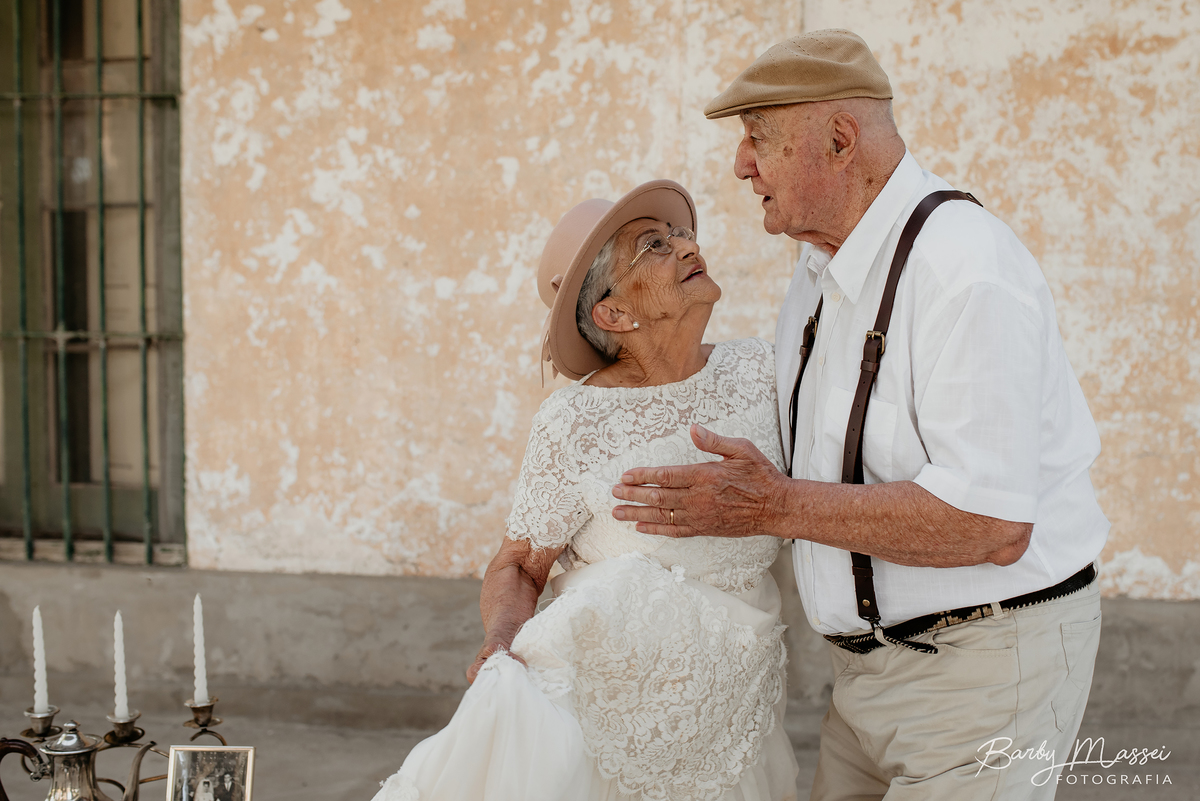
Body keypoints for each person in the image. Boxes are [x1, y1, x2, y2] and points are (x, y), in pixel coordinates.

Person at [610, 31, 1109, 800]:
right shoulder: (817, 271)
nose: (741, 164)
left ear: (840, 140)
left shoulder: (965, 270)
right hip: (864, 681)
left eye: (757, 140)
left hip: (982, 668)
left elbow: (991, 522)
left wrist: (773, 504)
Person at [372, 180, 799, 801]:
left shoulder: (762, 369)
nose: (685, 245)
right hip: (604, 715)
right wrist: (501, 640)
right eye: (654, 245)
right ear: (614, 313)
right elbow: (520, 563)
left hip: (734, 702)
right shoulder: (574, 419)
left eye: (679, 233)